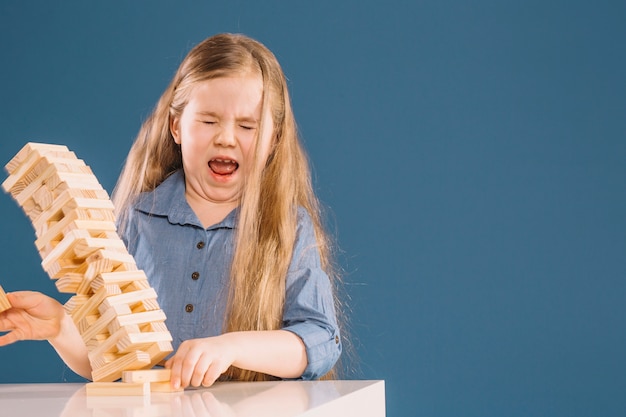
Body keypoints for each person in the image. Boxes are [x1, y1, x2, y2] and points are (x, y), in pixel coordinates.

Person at [0, 33, 342, 389]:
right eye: (208, 121)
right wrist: (60, 326)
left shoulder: (286, 227)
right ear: (176, 126)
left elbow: (319, 339)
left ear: (273, 140)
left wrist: (231, 347)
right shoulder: (137, 218)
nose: (226, 137)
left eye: (246, 126)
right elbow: (110, 359)